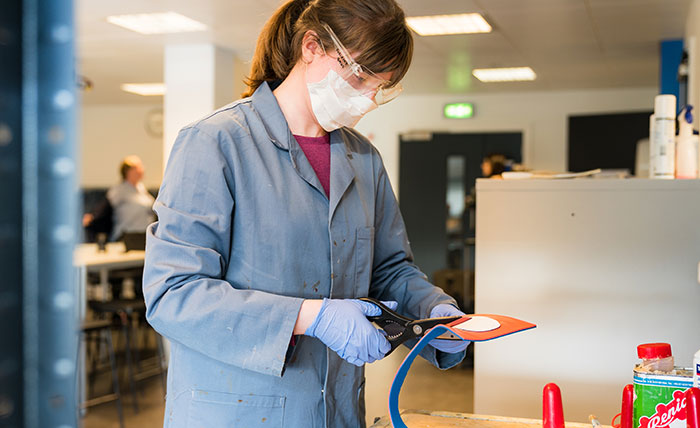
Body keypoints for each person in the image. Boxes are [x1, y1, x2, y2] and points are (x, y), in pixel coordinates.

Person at [142, 1, 470, 426]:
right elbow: (173, 293)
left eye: (381, 87)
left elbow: (389, 268)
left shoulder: (363, 159)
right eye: (359, 74)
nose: (368, 96)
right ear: (312, 47)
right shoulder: (216, 143)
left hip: (336, 409)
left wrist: (434, 313)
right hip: (238, 410)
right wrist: (309, 317)